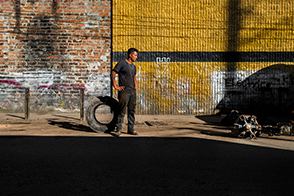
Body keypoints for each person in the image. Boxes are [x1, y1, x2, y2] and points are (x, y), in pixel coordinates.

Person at [111, 48, 139, 137]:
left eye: (137, 55)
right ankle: (118, 130)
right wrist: (115, 86)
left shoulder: (133, 66)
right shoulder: (122, 63)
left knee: (132, 111)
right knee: (122, 111)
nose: (136, 57)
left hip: (132, 92)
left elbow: (134, 77)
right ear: (130, 55)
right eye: (135, 55)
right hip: (124, 92)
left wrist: (135, 87)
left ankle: (131, 129)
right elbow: (113, 73)